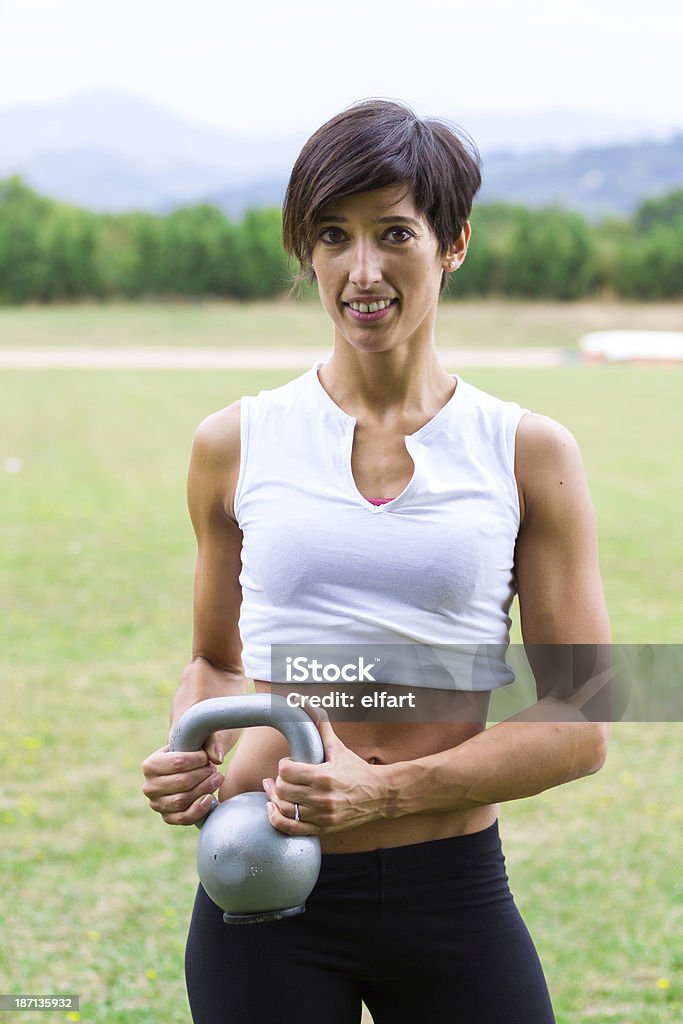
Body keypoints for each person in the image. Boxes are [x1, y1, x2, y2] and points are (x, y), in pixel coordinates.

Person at [142, 98, 611, 1024]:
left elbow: (580, 721)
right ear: (306, 253)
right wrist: (192, 743)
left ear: (452, 245)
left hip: (452, 895)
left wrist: (384, 792)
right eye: (331, 236)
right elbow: (213, 659)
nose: (362, 271)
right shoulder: (232, 443)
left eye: (394, 233)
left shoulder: (527, 453)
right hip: (259, 883)